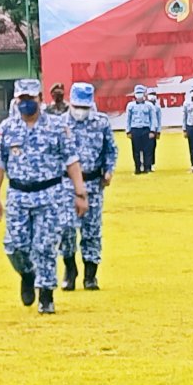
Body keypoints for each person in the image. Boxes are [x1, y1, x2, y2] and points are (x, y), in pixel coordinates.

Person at [0, 78, 88, 314]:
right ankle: (27, 274)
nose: (26, 104)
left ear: (40, 100)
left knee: (44, 246)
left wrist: (80, 192)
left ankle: (46, 295)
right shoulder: (7, 128)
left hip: (49, 194)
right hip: (19, 195)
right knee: (14, 246)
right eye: (22, 100)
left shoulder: (56, 127)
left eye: (30, 99)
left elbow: (71, 160)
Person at [59, 83, 118, 292]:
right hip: (66, 185)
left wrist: (109, 171)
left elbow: (111, 150)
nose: (80, 111)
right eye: (77, 107)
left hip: (93, 183)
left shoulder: (101, 123)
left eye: (84, 107)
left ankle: (90, 275)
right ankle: (70, 268)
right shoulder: (60, 124)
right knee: (66, 228)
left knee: (92, 230)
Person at [125, 85, 157, 174]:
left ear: (144, 94)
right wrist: (128, 131)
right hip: (135, 129)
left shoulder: (149, 105)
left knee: (148, 150)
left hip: (146, 129)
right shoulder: (130, 105)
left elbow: (153, 119)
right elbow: (128, 119)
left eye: (141, 93)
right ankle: (137, 168)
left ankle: (147, 167)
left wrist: (152, 130)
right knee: (136, 150)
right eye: (137, 93)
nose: (139, 95)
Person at [146, 88, 161, 171]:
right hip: (145, 129)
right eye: (150, 94)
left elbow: (159, 119)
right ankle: (144, 163)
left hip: (154, 130)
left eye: (153, 94)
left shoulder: (157, 107)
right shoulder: (145, 105)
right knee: (144, 147)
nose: (152, 96)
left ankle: (151, 164)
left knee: (152, 147)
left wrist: (158, 131)